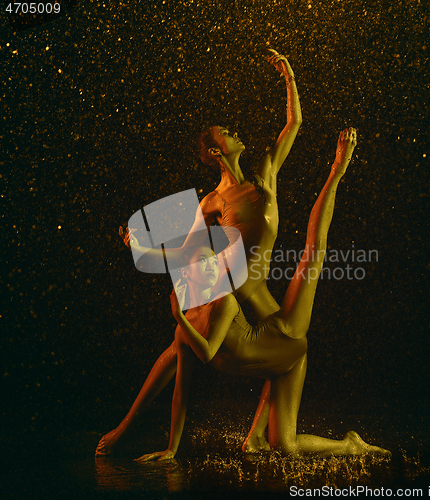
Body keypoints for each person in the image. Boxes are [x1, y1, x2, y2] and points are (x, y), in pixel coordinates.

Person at [136, 128, 390, 460]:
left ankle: (280, 437)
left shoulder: (221, 303)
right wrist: (145, 253)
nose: (209, 257)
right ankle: (323, 443)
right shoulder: (218, 299)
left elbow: (316, 242)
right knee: (286, 447)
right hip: (277, 347)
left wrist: (337, 170)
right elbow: (186, 260)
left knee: (313, 254)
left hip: (286, 344)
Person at [96, 49, 301, 456]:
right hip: (228, 284)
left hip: (254, 289)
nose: (235, 129)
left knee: (291, 348)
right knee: (178, 347)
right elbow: (187, 248)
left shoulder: (264, 177)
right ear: (214, 151)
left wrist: (289, 77)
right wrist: (142, 247)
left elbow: (293, 123)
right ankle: (129, 430)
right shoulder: (212, 201)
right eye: (225, 129)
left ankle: (256, 434)